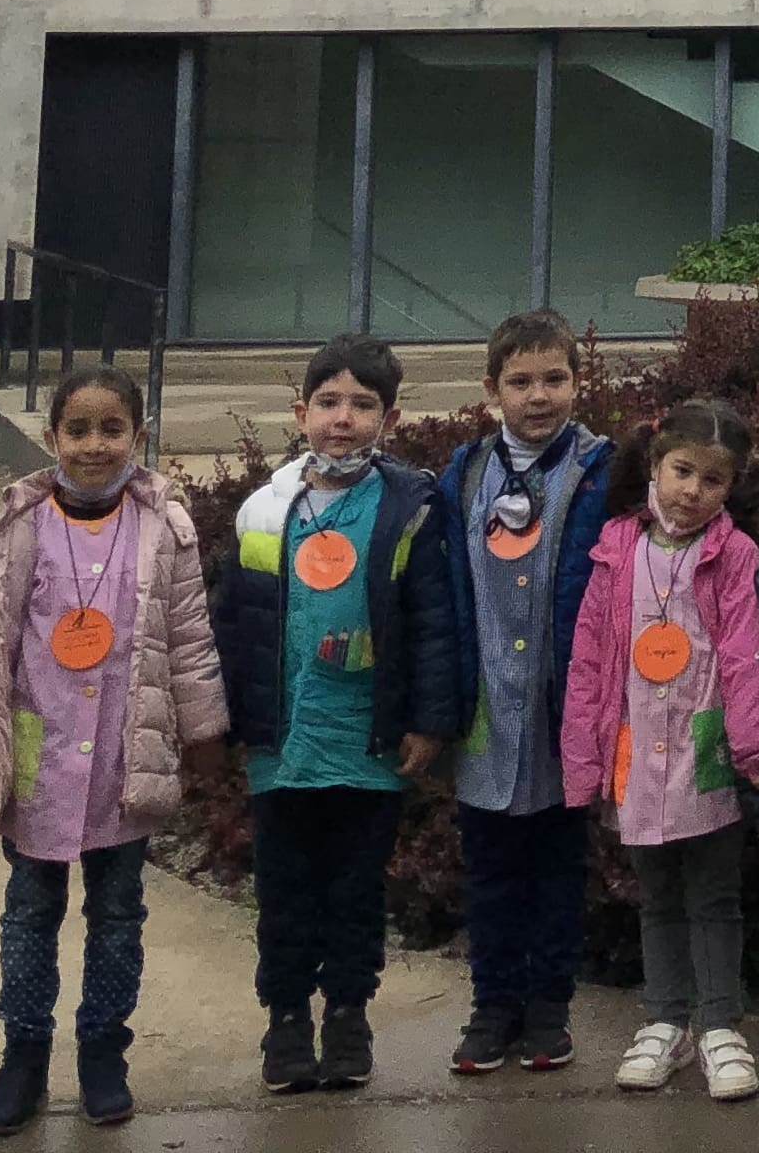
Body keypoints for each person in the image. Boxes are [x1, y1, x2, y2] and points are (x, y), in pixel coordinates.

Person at [0, 363, 227, 1134]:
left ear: (139, 435)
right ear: (51, 437)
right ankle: (23, 1056)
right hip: (36, 752)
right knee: (30, 911)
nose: (94, 445)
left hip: (123, 756)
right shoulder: (13, 532)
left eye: (112, 429)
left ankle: (104, 1050)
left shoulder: (164, 531)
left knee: (118, 912)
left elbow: (189, 639)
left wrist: (203, 732)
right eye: (77, 429)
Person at [209, 333, 465, 1098]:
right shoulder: (265, 510)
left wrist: (429, 720)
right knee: (285, 893)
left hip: (367, 745)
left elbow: (432, 623)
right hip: (282, 747)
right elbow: (235, 622)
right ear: (300, 413)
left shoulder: (410, 510)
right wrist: (222, 720)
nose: (343, 419)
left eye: (362, 404)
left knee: (355, 894)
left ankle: (349, 1015)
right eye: (328, 402)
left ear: (391, 418)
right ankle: (286, 1019)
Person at [562, 396, 759, 1102]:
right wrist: (583, 760)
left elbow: (745, 653)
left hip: (704, 747)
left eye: (713, 480)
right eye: (683, 471)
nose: (693, 491)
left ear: (732, 485)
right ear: (655, 465)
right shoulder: (617, 547)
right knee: (656, 895)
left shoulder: (734, 553)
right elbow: (590, 658)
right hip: (635, 749)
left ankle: (719, 1025)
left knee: (714, 894)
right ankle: (665, 1021)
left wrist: (753, 747)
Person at [431, 309, 615, 1077]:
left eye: (554, 379)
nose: (538, 396)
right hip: (486, 712)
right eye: (520, 382)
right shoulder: (465, 476)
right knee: (491, 872)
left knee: (557, 869)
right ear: (491, 389)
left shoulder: (600, 472)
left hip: (558, 710)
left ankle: (548, 1010)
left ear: (578, 382)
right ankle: (492, 1007)